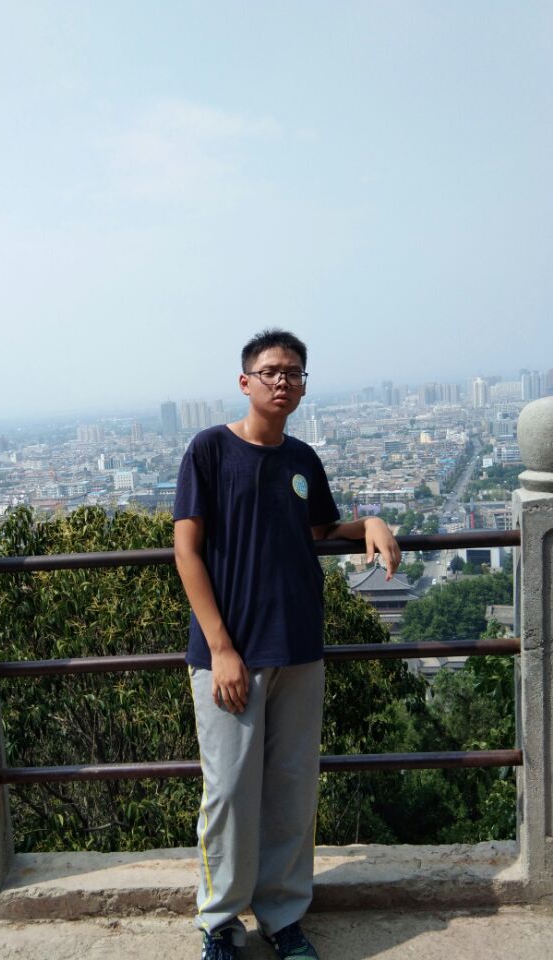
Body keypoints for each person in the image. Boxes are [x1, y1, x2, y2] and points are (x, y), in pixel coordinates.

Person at [173, 329, 400, 960]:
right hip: (231, 652)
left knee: (293, 791)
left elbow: (321, 529)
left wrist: (371, 522)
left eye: (294, 373)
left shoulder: (303, 459)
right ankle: (219, 922)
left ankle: (282, 916)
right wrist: (221, 647)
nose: (283, 381)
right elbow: (186, 551)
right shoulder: (210, 450)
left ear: (303, 386)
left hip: (299, 644)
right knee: (228, 792)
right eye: (271, 371)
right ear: (245, 381)